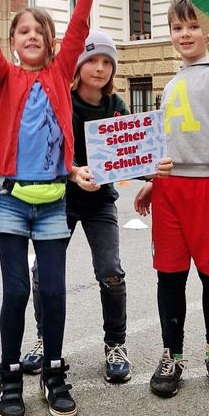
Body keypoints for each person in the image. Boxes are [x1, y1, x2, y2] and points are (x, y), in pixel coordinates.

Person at [0, 0, 108, 416]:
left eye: (40, 31)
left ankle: (54, 372)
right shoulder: (5, 77)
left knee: (51, 291)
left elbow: (80, 25)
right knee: (16, 292)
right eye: (24, 31)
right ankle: (9, 375)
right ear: (16, 42)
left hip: (54, 200)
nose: (31, 36)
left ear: (53, 43)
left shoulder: (59, 71)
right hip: (11, 200)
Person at [134, 0, 209, 398]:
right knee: (170, 275)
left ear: (208, 29)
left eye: (193, 26)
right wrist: (153, 178)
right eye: (177, 27)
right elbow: (168, 140)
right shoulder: (173, 80)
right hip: (169, 190)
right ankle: (172, 354)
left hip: (208, 187)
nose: (185, 34)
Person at [21, 31, 134, 383]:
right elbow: (43, 150)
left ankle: (115, 344)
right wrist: (72, 173)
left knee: (111, 272)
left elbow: (131, 153)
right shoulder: (61, 100)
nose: (99, 69)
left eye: (106, 63)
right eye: (92, 60)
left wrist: (152, 170)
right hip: (61, 200)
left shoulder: (117, 106)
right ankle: (44, 340)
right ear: (79, 64)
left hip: (100, 202)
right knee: (44, 273)